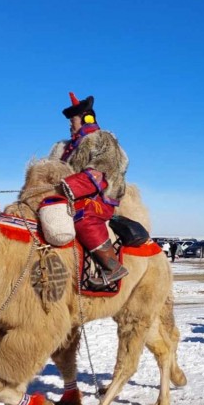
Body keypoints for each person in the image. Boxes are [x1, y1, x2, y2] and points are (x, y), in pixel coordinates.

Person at [49, 93, 131, 289]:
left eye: (73, 121)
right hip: (69, 195)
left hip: (98, 197)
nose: (70, 125)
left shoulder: (103, 140)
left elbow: (104, 170)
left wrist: (73, 186)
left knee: (84, 217)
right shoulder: (67, 147)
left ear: (86, 118)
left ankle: (112, 267)